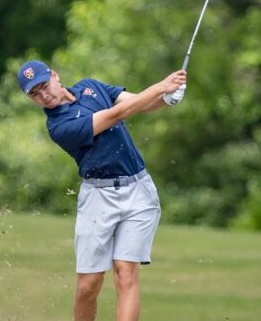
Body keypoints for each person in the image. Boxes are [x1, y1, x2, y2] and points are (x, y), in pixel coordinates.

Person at [17, 60, 186, 321]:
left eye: (44, 85)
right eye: (34, 93)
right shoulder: (59, 127)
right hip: (98, 198)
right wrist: (160, 86)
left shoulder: (90, 87)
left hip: (138, 192)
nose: (44, 94)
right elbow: (115, 115)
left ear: (55, 75)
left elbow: (140, 102)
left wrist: (167, 97)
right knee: (88, 287)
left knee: (125, 274)